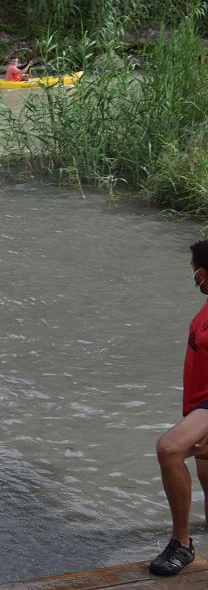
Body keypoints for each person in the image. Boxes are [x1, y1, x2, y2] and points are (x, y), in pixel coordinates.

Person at [149, 240, 208, 576]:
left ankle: (181, 544)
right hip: (197, 407)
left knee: (169, 449)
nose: (195, 279)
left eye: (195, 272)